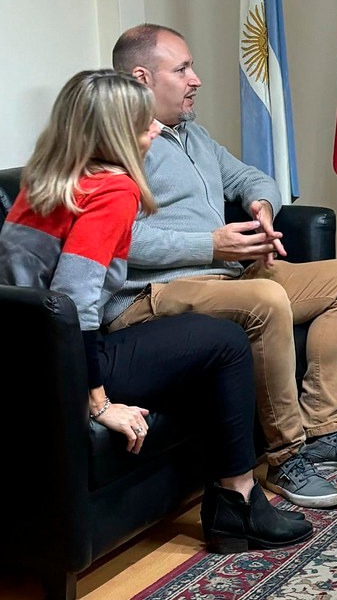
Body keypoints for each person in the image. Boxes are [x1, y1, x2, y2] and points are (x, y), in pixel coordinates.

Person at [0, 69, 311, 552]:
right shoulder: (112, 189)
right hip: (53, 365)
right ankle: (238, 503)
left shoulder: (50, 177)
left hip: (19, 354)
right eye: (145, 125)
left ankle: (235, 502)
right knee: (225, 343)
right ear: (116, 132)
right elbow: (73, 303)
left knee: (204, 340)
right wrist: (99, 403)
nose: (154, 133)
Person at [106, 23, 337, 510]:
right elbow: (122, 240)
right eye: (183, 68)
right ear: (143, 78)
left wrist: (261, 208)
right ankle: (285, 455)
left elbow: (252, 177)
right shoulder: (115, 144)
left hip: (225, 278)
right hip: (153, 293)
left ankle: (320, 430)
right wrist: (212, 245)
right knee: (266, 298)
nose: (197, 79)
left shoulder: (192, 133)